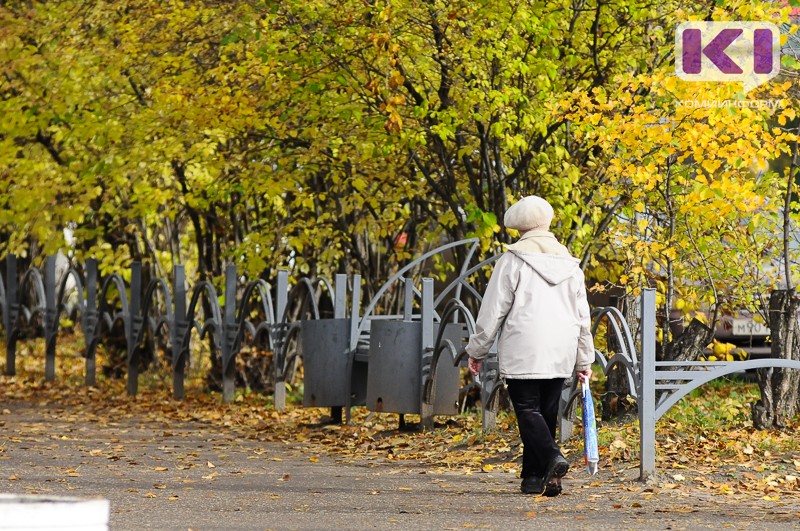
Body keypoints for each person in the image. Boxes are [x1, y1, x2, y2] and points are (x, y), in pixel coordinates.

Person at [465, 195, 594, 497]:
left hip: (524, 346)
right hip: (561, 347)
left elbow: (493, 309)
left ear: (519, 227)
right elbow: (582, 317)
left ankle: (551, 458)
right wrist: (584, 359)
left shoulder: (512, 261)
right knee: (546, 411)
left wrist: (477, 350)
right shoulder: (571, 265)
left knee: (526, 409)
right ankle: (536, 478)